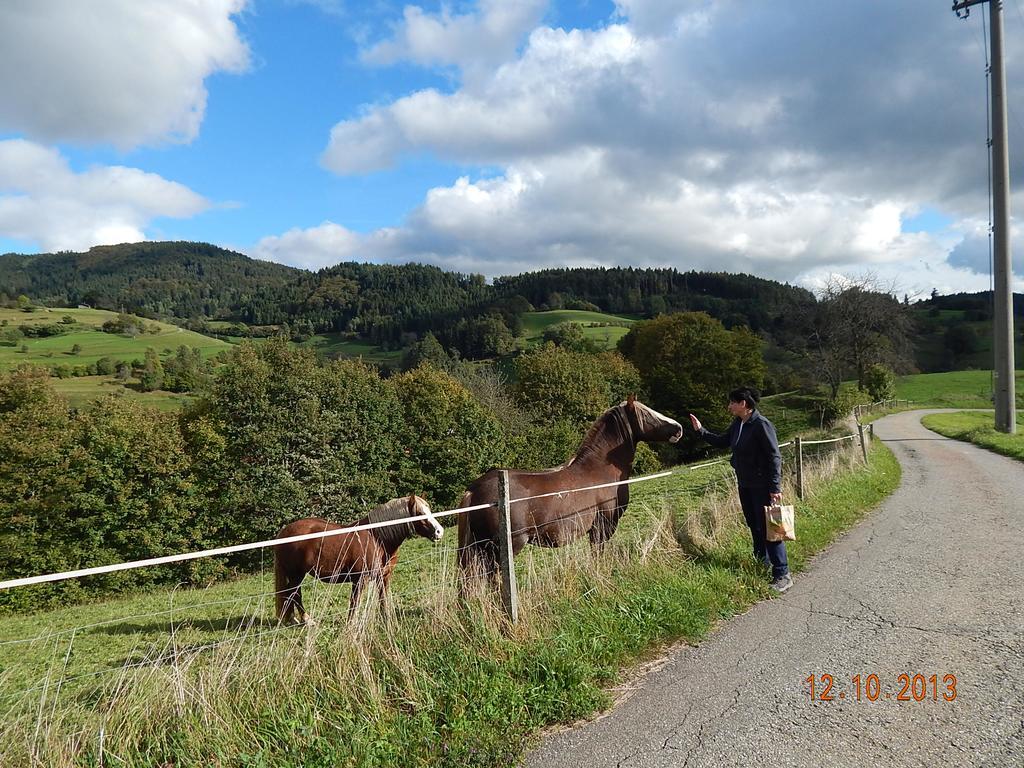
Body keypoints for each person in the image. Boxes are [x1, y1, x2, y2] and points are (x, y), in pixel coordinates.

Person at [689, 387, 792, 593]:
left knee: (770, 528)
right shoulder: (739, 423)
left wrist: (775, 487)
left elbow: (774, 457)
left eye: (732, 403)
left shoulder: (761, 425)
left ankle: (782, 573)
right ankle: (761, 561)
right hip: (745, 484)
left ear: (743, 404)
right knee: (753, 524)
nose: (729, 406)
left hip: (763, 486)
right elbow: (723, 441)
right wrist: (701, 431)